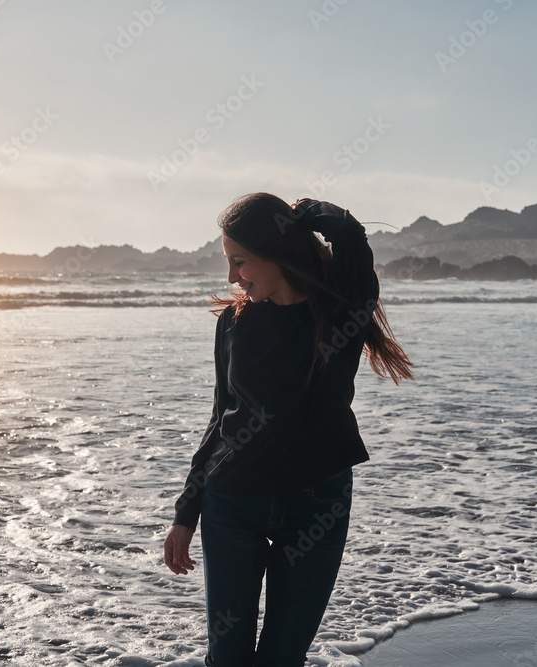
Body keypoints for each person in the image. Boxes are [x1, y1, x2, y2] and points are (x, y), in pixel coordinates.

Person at [162, 193, 413, 666]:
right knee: (228, 656)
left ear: (275, 252)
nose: (232, 277)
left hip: (316, 505)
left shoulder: (340, 311)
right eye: (228, 263)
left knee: (282, 657)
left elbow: (353, 241)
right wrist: (185, 512)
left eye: (239, 261)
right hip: (232, 503)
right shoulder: (234, 323)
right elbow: (221, 417)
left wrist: (309, 213)